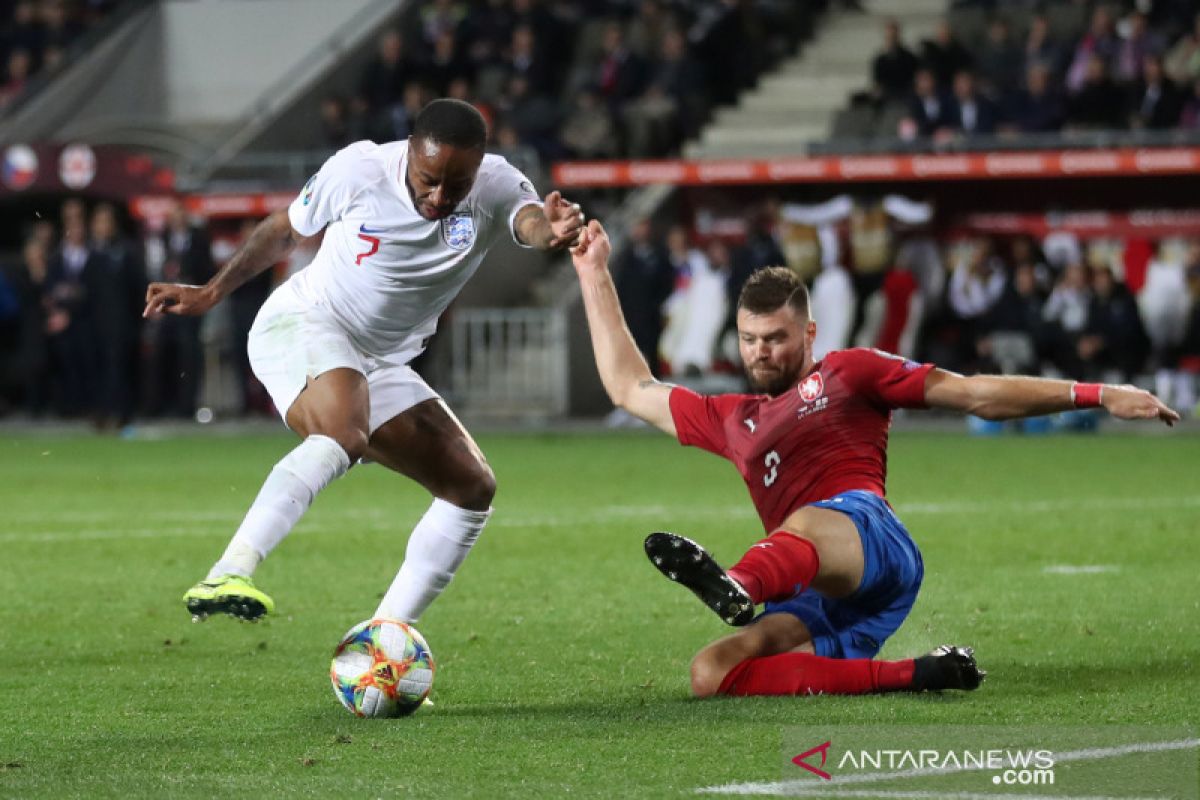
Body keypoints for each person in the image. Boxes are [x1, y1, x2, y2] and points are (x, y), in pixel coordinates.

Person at [569, 220, 1177, 698]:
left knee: (803, 521)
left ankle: (738, 583)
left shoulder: (850, 371)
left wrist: (1098, 394)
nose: (762, 352)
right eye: (750, 340)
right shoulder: (735, 418)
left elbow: (973, 394)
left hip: (872, 541)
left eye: (777, 339)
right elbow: (631, 388)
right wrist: (593, 271)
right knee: (712, 671)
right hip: (814, 589)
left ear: (808, 334)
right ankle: (917, 676)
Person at [144, 99, 585, 624]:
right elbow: (285, 229)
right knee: (343, 430)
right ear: (410, 155)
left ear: (479, 166)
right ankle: (230, 570)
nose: (440, 196)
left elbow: (529, 221)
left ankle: (385, 636)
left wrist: (550, 232)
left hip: (380, 360)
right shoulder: (359, 170)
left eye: (457, 185)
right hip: (306, 321)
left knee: (471, 487)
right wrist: (211, 293)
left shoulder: (496, 182)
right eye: (428, 179)